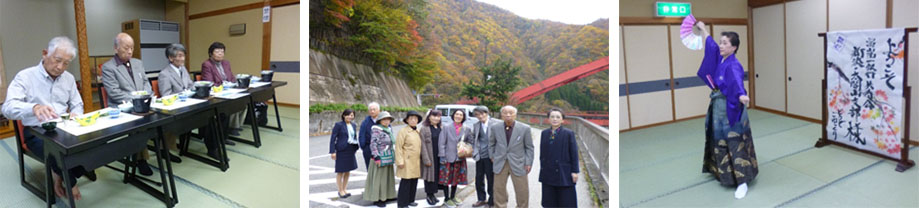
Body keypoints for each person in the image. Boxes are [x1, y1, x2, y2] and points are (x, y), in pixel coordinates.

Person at [2, 36, 89, 200]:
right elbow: (7, 108)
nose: (60, 67)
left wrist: (76, 114)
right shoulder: (25, 77)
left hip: (64, 128)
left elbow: (77, 103)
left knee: (93, 145)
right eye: (57, 60)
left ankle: (58, 174)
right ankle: (70, 182)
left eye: (66, 63)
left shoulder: (68, 78)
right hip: (37, 132)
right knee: (58, 154)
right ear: (44, 53)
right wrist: (33, 108)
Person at [696, 21, 758, 199]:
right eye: (721, 42)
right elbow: (712, 47)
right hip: (718, 107)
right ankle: (724, 174)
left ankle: (742, 181)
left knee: (734, 141)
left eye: (725, 43)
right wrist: (704, 30)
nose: (721, 46)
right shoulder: (721, 58)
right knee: (719, 140)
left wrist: (741, 95)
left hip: (731, 107)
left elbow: (738, 83)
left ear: (734, 47)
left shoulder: (733, 65)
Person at [101, 32, 154, 176]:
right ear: (115, 48)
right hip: (122, 108)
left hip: (142, 104)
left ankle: (164, 149)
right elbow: (114, 93)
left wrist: (146, 96)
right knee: (140, 126)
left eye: (132, 48)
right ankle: (141, 160)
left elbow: (145, 83)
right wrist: (137, 100)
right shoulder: (108, 67)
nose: (130, 51)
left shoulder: (138, 63)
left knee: (160, 118)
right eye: (126, 48)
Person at [488, 105, 533, 208]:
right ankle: (500, 206)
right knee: (499, 188)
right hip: (500, 161)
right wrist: (492, 156)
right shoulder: (495, 127)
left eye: (511, 113)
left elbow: (529, 147)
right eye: (505, 113)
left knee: (522, 189)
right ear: (501, 115)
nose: (508, 115)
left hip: (519, 162)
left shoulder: (524, 128)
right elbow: (491, 143)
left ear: (515, 115)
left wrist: (528, 162)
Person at [156, 43, 194, 163]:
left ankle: (184, 143)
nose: (183, 58)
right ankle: (165, 150)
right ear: (171, 58)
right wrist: (182, 96)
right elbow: (166, 95)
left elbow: (190, 85)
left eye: (183, 55)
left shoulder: (183, 69)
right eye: (179, 56)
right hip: (175, 107)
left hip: (187, 103)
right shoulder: (164, 74)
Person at [201, 41, 245, 140]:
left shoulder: (226, 63)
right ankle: (231, 128)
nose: (220, 54)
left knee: (243, 101)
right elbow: (209, 82)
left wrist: (233, 83)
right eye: (217, 51)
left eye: (222, 51)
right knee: (231, 105)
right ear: (211, 53)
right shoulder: (207, 64)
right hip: (218, 92)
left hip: (229, 90)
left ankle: (234, 126)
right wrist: (224, 85)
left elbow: (231, 77)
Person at [539, 108, 579, 207]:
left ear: (562, 120)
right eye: (552, 117)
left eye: (558, 117)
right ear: (548, 119)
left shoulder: (568, 133)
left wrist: (575, 171)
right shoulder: (544, 133)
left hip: (563, 171)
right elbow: (542, 153)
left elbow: (574, 153)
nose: (555, 119)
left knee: (566, 200)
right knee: (549, 201)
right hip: (548, 171)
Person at [438, 109, 472, 207]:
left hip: (460, 158)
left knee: (456, 179)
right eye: (457, 114)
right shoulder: (446, 127)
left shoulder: (467, 129)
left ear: (463, 117)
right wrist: (442, 157)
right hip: (448, 157)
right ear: (453, 116)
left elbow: (471, 141)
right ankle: (446, 198)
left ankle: (453, 196)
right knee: (445, 179)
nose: (458, 116)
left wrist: (466, 147)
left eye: (461, 115)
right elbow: (441, 143)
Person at [364, 111, 398, 207]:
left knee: (387, 178)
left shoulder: (388, 129)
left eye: (388, 119)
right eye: (384, 119)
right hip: (379, 157)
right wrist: (376, 157)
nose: (387, 121)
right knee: (379, 179)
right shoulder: (376, 130)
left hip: (388, 156)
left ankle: (387, 195)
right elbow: (373, 143)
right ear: (380, 120)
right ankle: (378, 198)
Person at [471, 106, 500, 207]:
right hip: (479, 155)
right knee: (479, 178)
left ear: (487, 113)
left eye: (482, 114)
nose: (480, 116)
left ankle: (492, 201)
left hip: (491, 156)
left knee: (491, 178)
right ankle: (481, 199)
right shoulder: (476, 125)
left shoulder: (496, 123)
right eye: (477, 115)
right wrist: (474, 150)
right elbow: (473, 137)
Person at [395, 111, 423, 208]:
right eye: (411, 118)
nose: (413, 120)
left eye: (415, 119)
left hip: (416, 161)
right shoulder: (403, 131)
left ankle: (411, 200)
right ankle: (402, 203)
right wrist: (400, 161)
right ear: (407, 120)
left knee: (414, 181)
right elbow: (398, 147)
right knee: (405, 183)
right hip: (406, 161)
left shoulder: (417, 131)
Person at [330, 109, 360, 198]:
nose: (350, 117)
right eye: (348, 115)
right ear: (344, 115)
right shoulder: (338, 125)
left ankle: (345, 189)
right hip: (341, 150)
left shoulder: (354, 125)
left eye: (352, 115)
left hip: (351, 149)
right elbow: (333, 138)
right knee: (340, 171)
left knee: (348, 171)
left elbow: (354, 136)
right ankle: (340, 190)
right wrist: (333, 151)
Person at [419, 110, 445, 205]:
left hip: (439, 156)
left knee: (437, 176)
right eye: (434, 116)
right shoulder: (424, 128)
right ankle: (429, 195)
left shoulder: (440, 127)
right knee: (430, 176)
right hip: (430, 156)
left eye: (438, 116)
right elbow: (422, 145)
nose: (436, 118)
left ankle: (433, 194)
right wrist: (426, 159)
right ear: (429, 117)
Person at [359, 102, 382, 168]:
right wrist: (363, 146)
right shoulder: (365, 122)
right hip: (368, 148)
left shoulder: (383, 120)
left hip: (381, 148)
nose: (372, 111)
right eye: (370, 110)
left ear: (379, 110)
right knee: (370, 168)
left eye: (374, 109)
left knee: (381, 168)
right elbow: (361, 134)